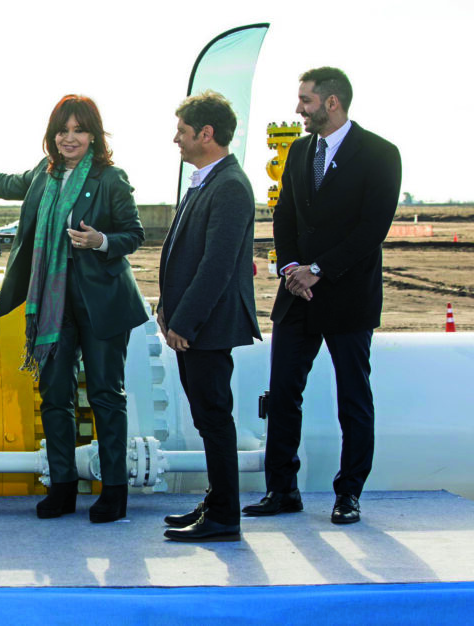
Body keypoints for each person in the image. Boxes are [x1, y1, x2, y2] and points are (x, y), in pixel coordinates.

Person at [0, 95, 147, 523]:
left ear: (94, 134)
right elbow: (7, 183)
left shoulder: (111, 178)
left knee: (106, 396)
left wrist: (101, 241)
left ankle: (114, 492)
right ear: (52, 135)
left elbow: (133, 233)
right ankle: (64, 487)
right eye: (62, 130)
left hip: (101, 303)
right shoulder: (43, 174)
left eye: (79, 130)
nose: (69, 138)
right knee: (55, 395)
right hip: (53, 304)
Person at [243, 67, 402, 525]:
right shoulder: (297, 151)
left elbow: (373, 227)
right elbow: (285, 216)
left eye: (305, 100)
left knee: (353, 398)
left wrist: (320, 270)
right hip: (296, 295)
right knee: (283, 393)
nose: (299, 109)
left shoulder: (379, 154)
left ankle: (348, 493)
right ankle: (282, 489)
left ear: (332, 102)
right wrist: (292, 267)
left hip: (347, 296)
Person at [158, 91, 261, 542]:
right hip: (191, 324)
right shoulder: (208, 180)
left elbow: (216, 266)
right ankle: (218, 502)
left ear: (206, 134)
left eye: (182, 131)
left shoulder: (231, 186)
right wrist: (167, 310)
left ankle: (224, 517)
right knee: (208, 418)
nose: (175, 139)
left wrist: (185, 322)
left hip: (207, 328)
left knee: (215, 419)